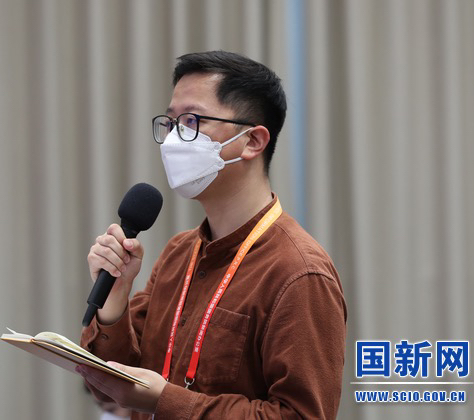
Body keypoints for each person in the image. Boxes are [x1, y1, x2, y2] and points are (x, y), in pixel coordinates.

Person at [78, 51, 347, 419]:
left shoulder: (299, 272)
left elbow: (300, 415)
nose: (174, 139)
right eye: (171, 123)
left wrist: (165, 400)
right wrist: (115, 299)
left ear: (253, 141)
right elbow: (108, 385)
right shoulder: (178, 253)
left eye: (192, 121)